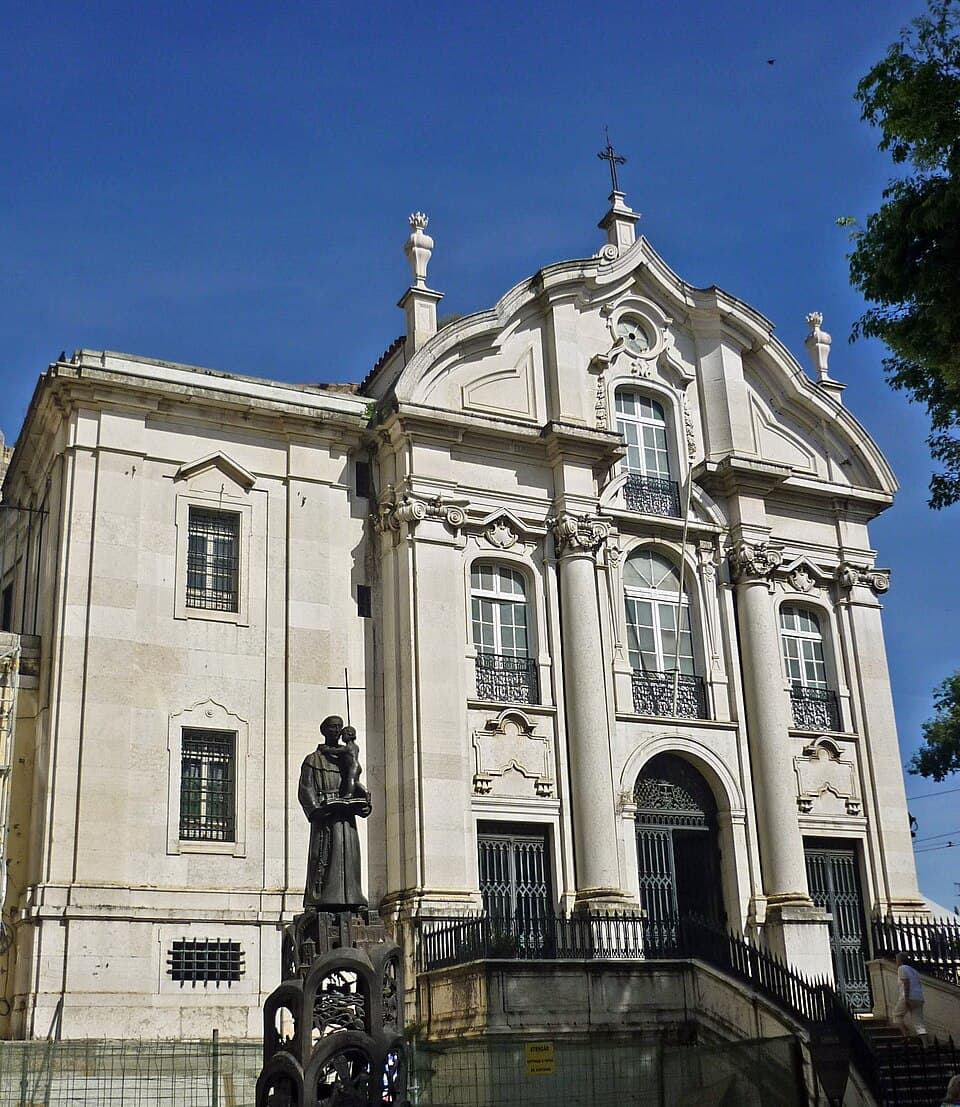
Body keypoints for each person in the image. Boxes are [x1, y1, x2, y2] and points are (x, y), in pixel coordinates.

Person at [298, 715, 371, 911]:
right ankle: (317, 900)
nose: (336, 731)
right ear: (324, 730)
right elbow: (306, 788)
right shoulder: (312, 759)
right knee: (322, 857)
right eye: (332, 727)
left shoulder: (345, 758)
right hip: (325, 817)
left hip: (346, 817)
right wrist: (316, 809)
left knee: (350, 857)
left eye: (339, 727)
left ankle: (354, 899)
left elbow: (354, 781)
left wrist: (364, 804)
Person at [893, 952, 926, 1039]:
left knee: (897, 1015)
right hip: (919, 997)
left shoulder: (901, 968)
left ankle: (906, 1036)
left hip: (908, 996)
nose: (896, 962)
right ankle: (925, 1044)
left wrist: (907, 998)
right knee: (919, 1022)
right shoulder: (914, 971)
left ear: (900, 960)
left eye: (896, 960)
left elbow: (906, 983)